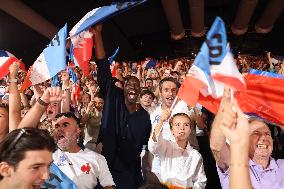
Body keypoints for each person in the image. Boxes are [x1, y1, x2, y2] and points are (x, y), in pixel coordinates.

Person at [93, 24, 152, 189]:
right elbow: (103, 67)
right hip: (104, 167)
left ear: (139, 91)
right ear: (123, 88)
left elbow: (145, 146)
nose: (132, 87)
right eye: (129, 85)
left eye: (136, 86)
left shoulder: (144, 117)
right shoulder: (113, 98)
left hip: (127, 172)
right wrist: (98, 34)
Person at [210, 86, 284, 189]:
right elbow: (217, 146)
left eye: (267, 133)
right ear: (244, 139)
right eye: (256, 133)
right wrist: (226, 101)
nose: (263, 137)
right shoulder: (232, 163)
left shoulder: (282, 166)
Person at [52, 112, 115, 189]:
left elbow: (108, 185)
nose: (59, 129)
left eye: (65, 125)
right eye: (57, 126)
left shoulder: (97, 158)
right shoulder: (48, 157)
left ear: (78, 130)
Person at [148, 112, 206, 188]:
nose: (182, 128)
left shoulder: (195, 155)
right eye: (177, 125)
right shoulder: (165, 146)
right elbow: (153, 145)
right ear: (171, 130)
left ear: (190, 130)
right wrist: (161, 121)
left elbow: (201, 181)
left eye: (186, 125)